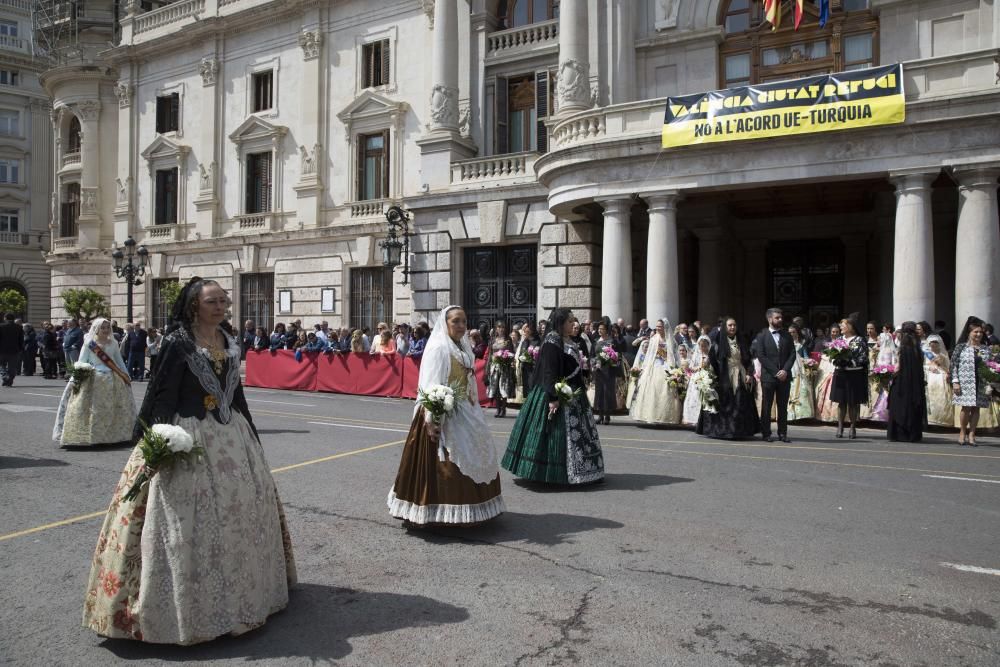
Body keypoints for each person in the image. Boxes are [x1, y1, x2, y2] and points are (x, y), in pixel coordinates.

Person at [82, 278, 296, 644]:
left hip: (231, 436)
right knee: (185, 521)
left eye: (224, 301)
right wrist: (153, 443)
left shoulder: (229, 340)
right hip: (187, 432)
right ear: (195, 305)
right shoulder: (178, 343)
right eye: (213, 301)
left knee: (239, 514)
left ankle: (243, 594)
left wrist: (253, 438)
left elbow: (237, 395)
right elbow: (161, 392)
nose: (221, 307)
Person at [388, 305, 504, 526]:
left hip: (465, 410)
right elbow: (430, 385)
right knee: (447, 464)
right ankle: (435, 512)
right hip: (442, 411)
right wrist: (431, 419)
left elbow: (468, 383)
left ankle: (474, 508)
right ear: (445, 323)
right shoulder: (439, 348)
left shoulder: (462, 346)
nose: (461, 326)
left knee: (476, 454)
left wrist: (475, 409)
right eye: (456, 322)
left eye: (463, 321)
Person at [502, 307, 604, 485]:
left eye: (574, 320)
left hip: (572, 392)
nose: (574, 324)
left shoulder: (567, 339)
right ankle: (551, 474)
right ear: (560, 322)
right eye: (570, 321)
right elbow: (549, 372)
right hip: (556, 392)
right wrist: (553, 398)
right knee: (553, 436)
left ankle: (584, 469)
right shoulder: (552, 341)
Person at [52, 318, 135, 446]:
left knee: (114, 408)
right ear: (96, 329)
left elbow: (119, 362)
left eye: (108, 327)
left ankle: (112, 436)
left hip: (112, 378)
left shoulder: (113, 343)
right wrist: (77, 377)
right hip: (94, 378)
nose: (106, 330)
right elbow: (81, 361)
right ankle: (90, 436)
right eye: (103, 328)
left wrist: (126, 376)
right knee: (93, 409)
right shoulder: (89, 344)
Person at [697, 317, 759, 440]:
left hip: (740, 376)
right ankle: (723, 430)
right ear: (725, 327)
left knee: (740, 403)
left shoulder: (741, 341)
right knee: (724, 405)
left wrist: (749, 373)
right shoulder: (718, 343)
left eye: (734, 325)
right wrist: (710, 377)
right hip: (723, 378)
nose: (732, 328)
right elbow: (712, 361)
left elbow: (748, 360)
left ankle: (738, 431)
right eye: (730, 325)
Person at [751, 308, 796, 443]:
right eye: (777, 318)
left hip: (784, 376)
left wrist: (785, 370)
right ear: (770, 319)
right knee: (767, 406)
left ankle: (783, 433)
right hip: (769, 377)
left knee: (782, 407)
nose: (780, 320)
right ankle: (766, 433)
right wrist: (776, 372)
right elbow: (761, 356)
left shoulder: (787, 335)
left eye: (781, 317)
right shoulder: (762, 335)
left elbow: (792, 354)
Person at [629, 319, 683, 425]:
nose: (658, 328)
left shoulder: (670, 340)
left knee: (665, 391)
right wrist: (644, 368)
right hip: (654, 366)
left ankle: (665, 416)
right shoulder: (653, 339)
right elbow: (649, 355)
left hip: (667, 366)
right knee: (652, 390)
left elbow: (675, 356)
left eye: (660, 326)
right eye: (657, 326)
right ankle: (650, 415)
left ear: (665, 327)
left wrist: (676, 369)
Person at [951, 316, 990, 447]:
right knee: (966, 407)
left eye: (980, 332)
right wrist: (955, 381)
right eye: (975, 332)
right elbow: (953, 365)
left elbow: (990, 365)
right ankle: (962, 432)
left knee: (976, 408)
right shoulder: (961, 347)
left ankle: (972, 433)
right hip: (965, 381)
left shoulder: (986, 349)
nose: (978, 334)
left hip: (981, 382)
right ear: (969, 333)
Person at [830, 314, 869, 439]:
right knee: (841, 402)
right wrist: (836, 360)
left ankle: (852, 427)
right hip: (841, 374)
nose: (841, 326)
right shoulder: (839, 339)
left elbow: (864, 358)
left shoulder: (859, 340)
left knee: (852, 403)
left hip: (854, 374)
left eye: (844, 324)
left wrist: (849, 362)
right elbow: (833, 354)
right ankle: (840, 426)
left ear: (851, 327)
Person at [887, 327, 927, 443]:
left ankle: (899, 434)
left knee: (899, 406)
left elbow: (897, 369)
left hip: (901, 383)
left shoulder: (903, 349)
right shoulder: (917, 350)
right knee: (913, 406)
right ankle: (913, 434)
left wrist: (888, 372)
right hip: (915, 384)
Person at [591, 321, 623, 425]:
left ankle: (607, 416)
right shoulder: (595, 341)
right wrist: (594, 363)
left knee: (607, 392)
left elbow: (617, 355)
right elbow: (592, 354)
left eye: (602, 329)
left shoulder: (611, 341)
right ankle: (600, 415)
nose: (600, 331)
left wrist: (613, 360)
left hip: (609, 370)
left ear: (606, 330)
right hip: (599, 370)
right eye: (599, 329)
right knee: (599, 392)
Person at [786, 324, 816, 422]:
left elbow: (806, 356)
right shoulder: (784, 345)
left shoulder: (801, 345)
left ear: (797, 333)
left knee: (801, 390)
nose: (791, 334)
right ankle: (789, 415)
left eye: (793, 332)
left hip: (800, 370)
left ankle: (801, 415)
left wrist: (809, 362)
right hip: (788, 369)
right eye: (789, 332)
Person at [486, 321, 516, 418]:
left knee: (503, 388)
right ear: (496, 328)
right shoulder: (492, 340)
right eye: (499, 327)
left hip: (504, 367)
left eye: (503, 327)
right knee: (495, 389)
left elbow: (512, 354)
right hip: (494, 367)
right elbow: (490, 355)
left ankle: (503, 409)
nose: (501, 329)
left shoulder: (508, 340)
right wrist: (487, 368)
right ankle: (498, 409)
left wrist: (507, 360)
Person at [924, 334, 953, 427]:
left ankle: (941, 419)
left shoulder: (943, 354)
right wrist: (928, 368)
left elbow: (947, 366)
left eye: (936, 342)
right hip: (928, 376)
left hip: (941, 376)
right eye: (932, 343)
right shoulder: (925, 354)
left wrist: (947, 373)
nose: (933, 344)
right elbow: (921, 365)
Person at [682, 335, 712, 426]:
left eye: (705, 346)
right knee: (694, 396)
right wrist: (697, 368)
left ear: (708, 345)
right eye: (701, 346)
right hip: (697, 377)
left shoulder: (710, 355)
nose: (703, 348)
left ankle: (705, 418)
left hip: (707, 376)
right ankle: (692, 418)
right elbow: (691, 367)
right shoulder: (696, 355)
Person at [515, 321, 541, 401]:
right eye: (524, 331)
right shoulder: (524, 341)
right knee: (526, 388)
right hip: (525, 369)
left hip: (533, 369)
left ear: (531, 331)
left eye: (527, 331)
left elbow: (539, 355)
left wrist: (530, 358)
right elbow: (520, 353)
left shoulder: (537, 341)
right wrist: (521, 358)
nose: (525, 333)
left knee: (532, 388)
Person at [0, 313, 24, 386]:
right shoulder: (19, 327)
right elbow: (21, 339)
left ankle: (5, 377)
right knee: (12, 367)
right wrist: (20, 348)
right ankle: (9, 380)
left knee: (2, 365)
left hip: (2, 350)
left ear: (5, 318)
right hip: (15, 350)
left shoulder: (1, 326)